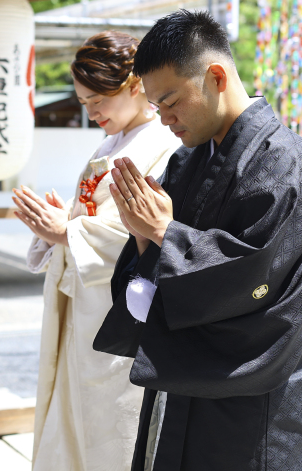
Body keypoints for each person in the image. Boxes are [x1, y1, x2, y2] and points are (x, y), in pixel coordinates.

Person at [93, 10, 302, 470]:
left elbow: (254, 278)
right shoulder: (186, 163)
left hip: (251, 406)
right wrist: (143, 237)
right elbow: (151, 273)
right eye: (157, 108)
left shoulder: (283, 161)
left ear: (215, 76)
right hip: (180, 391)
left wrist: (162, 231)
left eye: (172, 102)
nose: (166, 120)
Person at [13, 31, 181, 471]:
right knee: (74, 418)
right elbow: (96, 216)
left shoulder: (163, 145)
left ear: (133, 85)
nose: (91, 112)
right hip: (82, 309)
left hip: (118, 313)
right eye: (84, 102)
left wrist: (67, 231)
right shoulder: (111, 143)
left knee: (113, 428)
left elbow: (147, 232)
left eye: (97, 100)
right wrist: (60, 223)